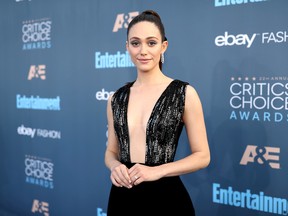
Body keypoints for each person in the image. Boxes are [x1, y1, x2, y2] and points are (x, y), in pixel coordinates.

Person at [104, 9, 210, 216]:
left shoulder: (183, 93)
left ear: (163, 46)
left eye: (151, 43)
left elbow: (203, 156)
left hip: (166, 198)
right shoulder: (115, 99)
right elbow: (111, 152)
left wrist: (156, 171)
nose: (143, 50)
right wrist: (115, 166)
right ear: (127, 47)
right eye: (135, 43)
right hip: (122, 197)